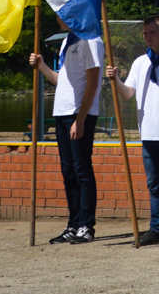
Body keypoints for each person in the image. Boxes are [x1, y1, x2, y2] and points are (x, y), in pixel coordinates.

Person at [103, 15, 159, 247]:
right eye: (145, 33)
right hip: (148, 133)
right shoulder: (140, 63)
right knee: (154, 184)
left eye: (152, 32)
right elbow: (128, 94)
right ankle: (156, 228)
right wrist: (116, 80)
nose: (147, 36)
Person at [29, 15, 103, 244]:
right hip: (61, 113)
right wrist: (41, 66)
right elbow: (61, 80)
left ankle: (86, 226)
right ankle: (73, 223)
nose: (58, 16)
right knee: (68, 172)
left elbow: (93, 81)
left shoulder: (91, 39)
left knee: (82, 170)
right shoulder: (66, 41)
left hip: (78, 113)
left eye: (63, 12)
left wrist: (80, 119)